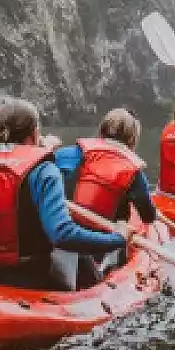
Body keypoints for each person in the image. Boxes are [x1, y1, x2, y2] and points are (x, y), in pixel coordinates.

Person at [0, 99, 132, 290]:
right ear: (35, 133)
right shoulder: (45, 171)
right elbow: (62, 235)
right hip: (29, 278)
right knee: (81, 261)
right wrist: (117, 238)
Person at [56, 108, 157, 283]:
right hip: (101, 245)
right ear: (132, 140)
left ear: (101, 131)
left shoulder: (66, 154)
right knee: (122, 223)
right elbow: (148, 217)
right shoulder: (134, 172)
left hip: (58, 236)